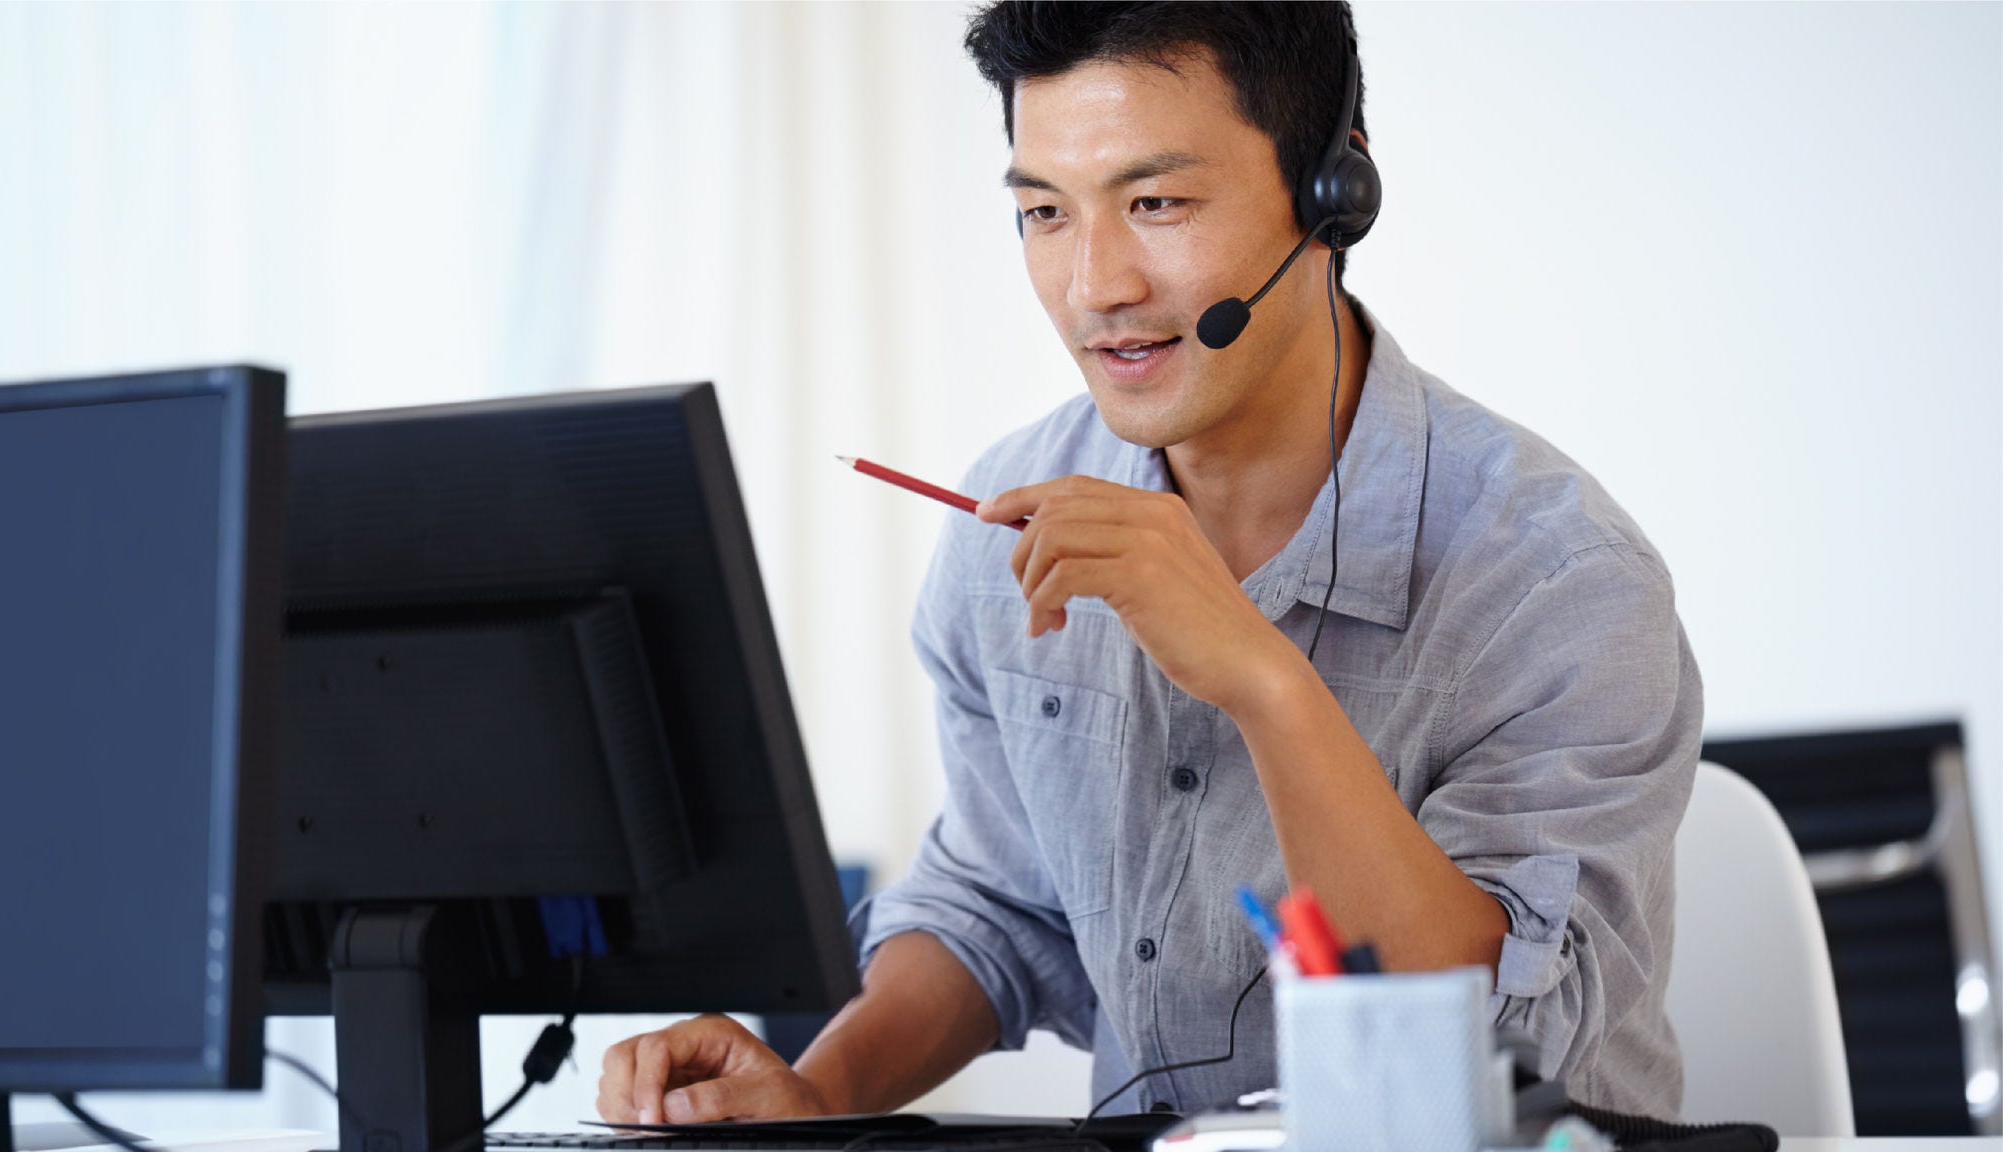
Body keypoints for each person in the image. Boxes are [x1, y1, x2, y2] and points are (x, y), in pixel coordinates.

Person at [598, 0, 1699, 1124]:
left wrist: (1260, 682)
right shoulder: (1009, 528)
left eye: (1156, 202)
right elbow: (998, 906)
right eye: (1042, 212)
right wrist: (813, 1091)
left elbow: (1488, 1038)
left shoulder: (1560, 583)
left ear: (1335, 194)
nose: (1094, 286)